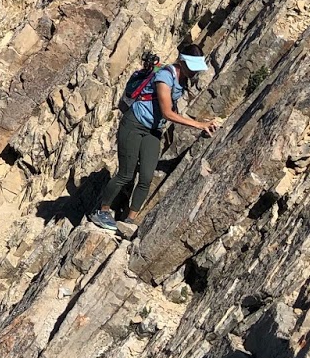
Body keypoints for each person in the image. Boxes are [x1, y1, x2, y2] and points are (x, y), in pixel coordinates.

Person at [90, 45, 220, 237]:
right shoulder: (165, 77)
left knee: (146, 177)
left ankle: (129, 220)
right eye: (191, 66)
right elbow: (167, 113)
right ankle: (102, 212)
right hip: (134, 124)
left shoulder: (183, 79)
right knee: (126, 174)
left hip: (153, 130)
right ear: (182, 61)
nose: (194, 71)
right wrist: (199, 125)